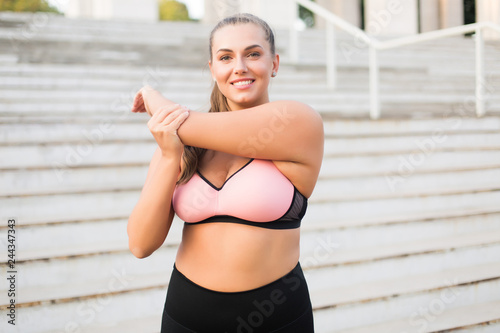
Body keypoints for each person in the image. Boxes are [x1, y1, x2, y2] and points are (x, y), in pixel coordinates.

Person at [127, 13, 324, 333]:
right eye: (226, 57)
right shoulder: (182, 143)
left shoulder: (298, 122)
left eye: (253, 54)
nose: (240, 67)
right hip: (186, 315)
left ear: (275, 63)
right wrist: (168, 157)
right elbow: (140, 244)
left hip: (276, 318)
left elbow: (183, 121)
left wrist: (151, 95)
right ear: (212, 69)